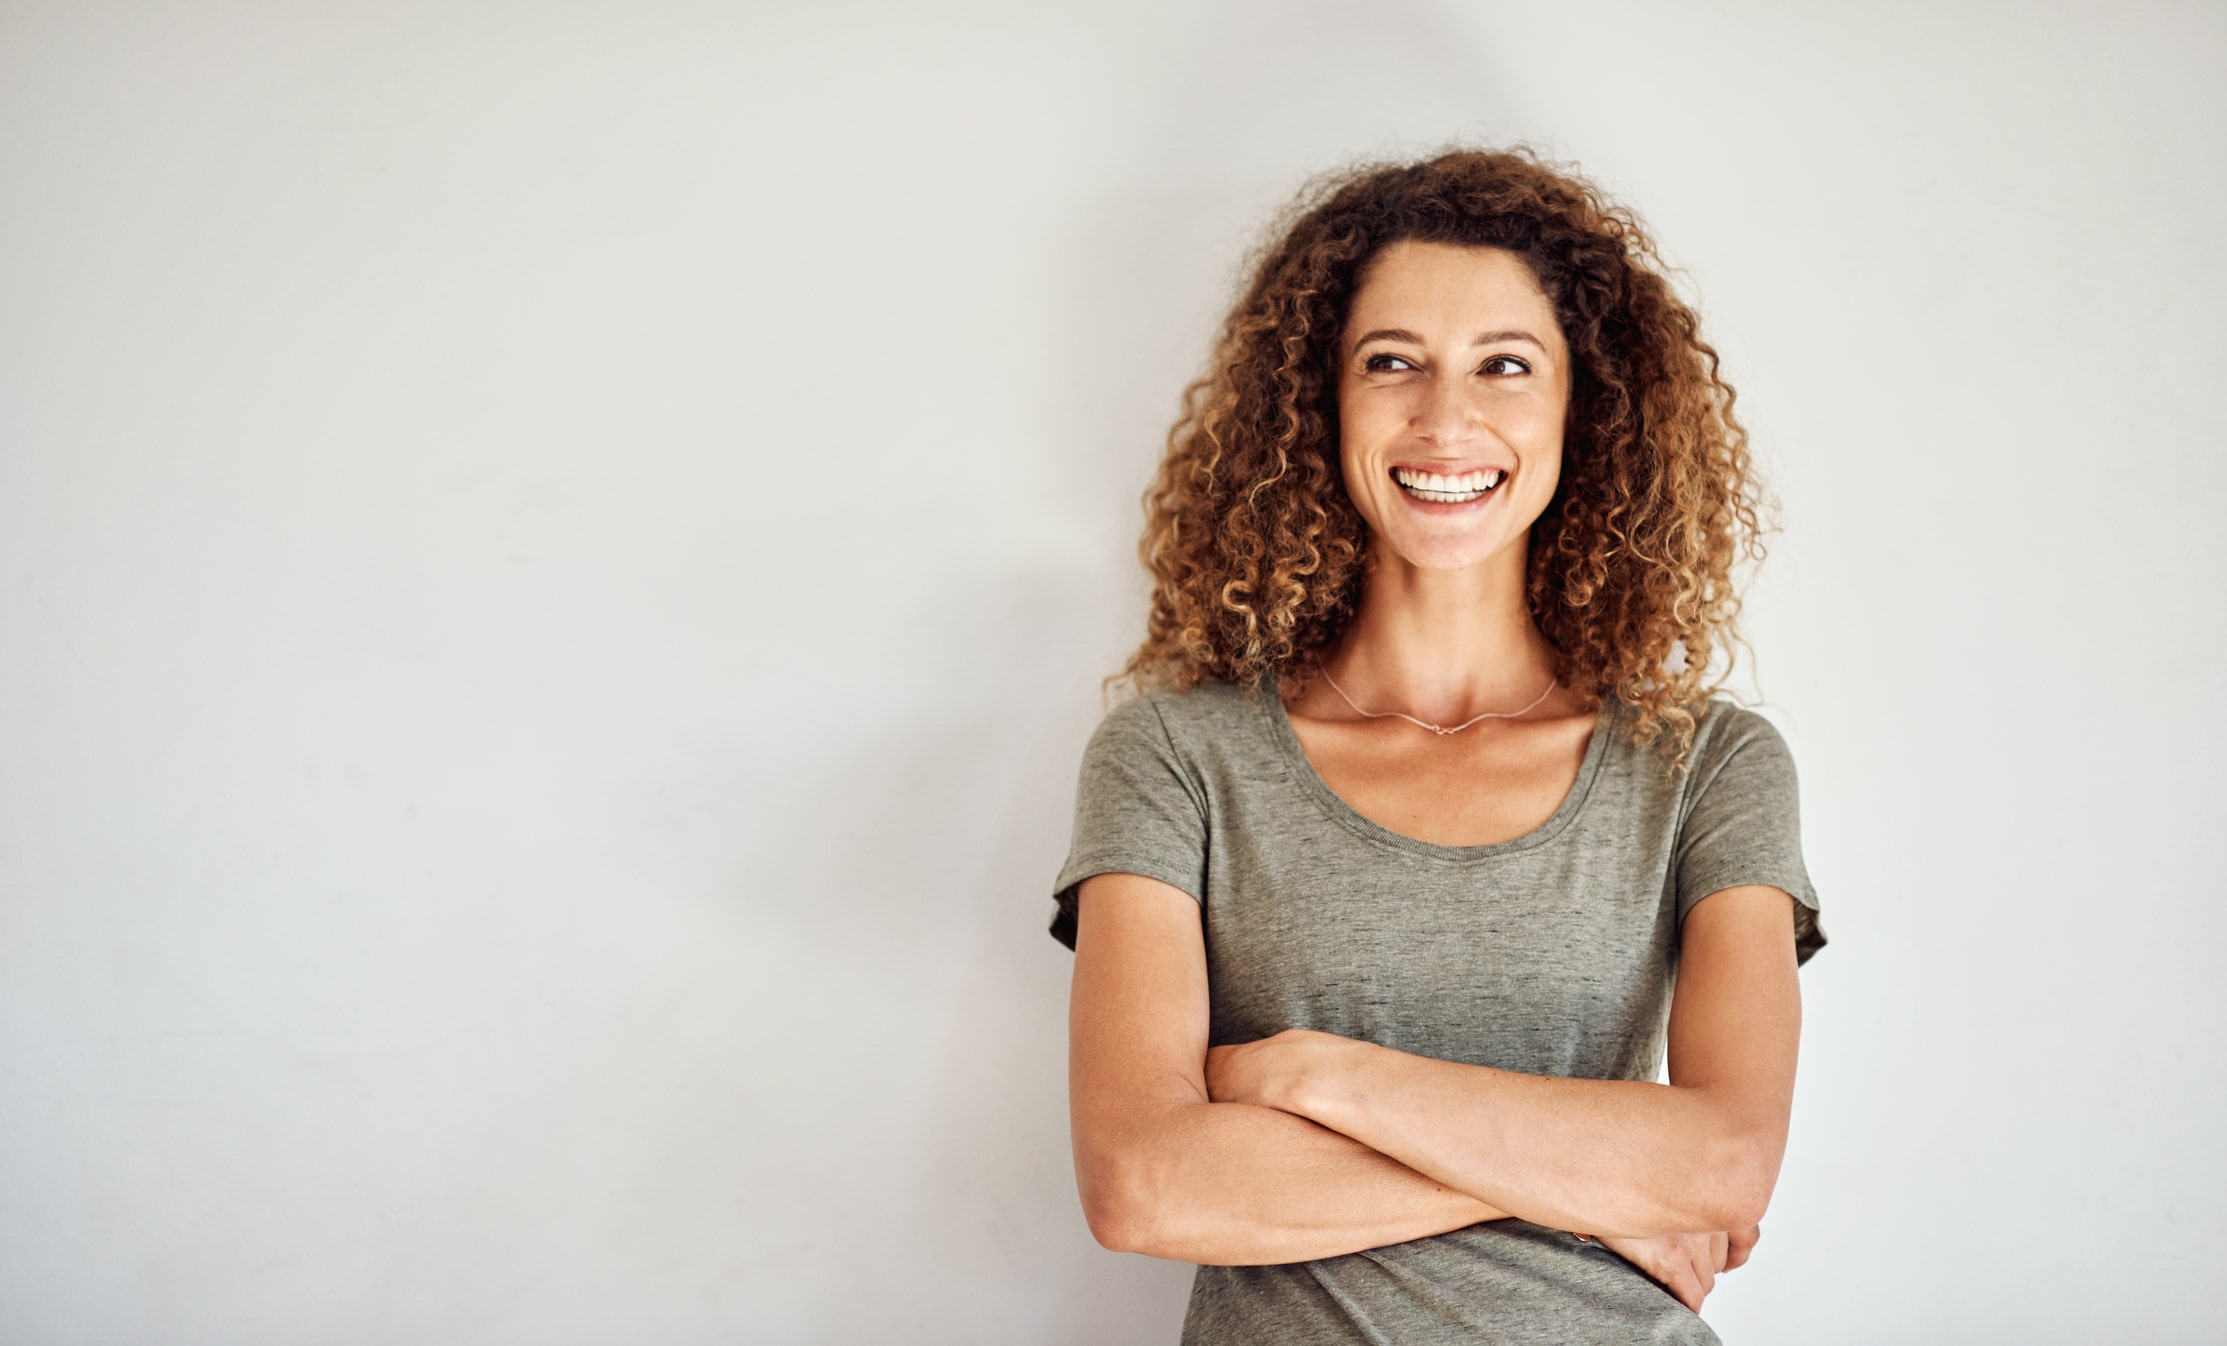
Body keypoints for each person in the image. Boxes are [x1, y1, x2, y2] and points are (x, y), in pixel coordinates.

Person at [1048, 148, 1826, 1345]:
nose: (1445, 416)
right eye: (1391, 361)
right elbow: (1146, 1182)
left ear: (1586, 406)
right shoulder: (1174, 754)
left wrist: (1310, 1073)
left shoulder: (1707, 765)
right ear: (1323, 400)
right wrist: (1597, 1172)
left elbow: (1724, 1164)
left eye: (1505, 364)